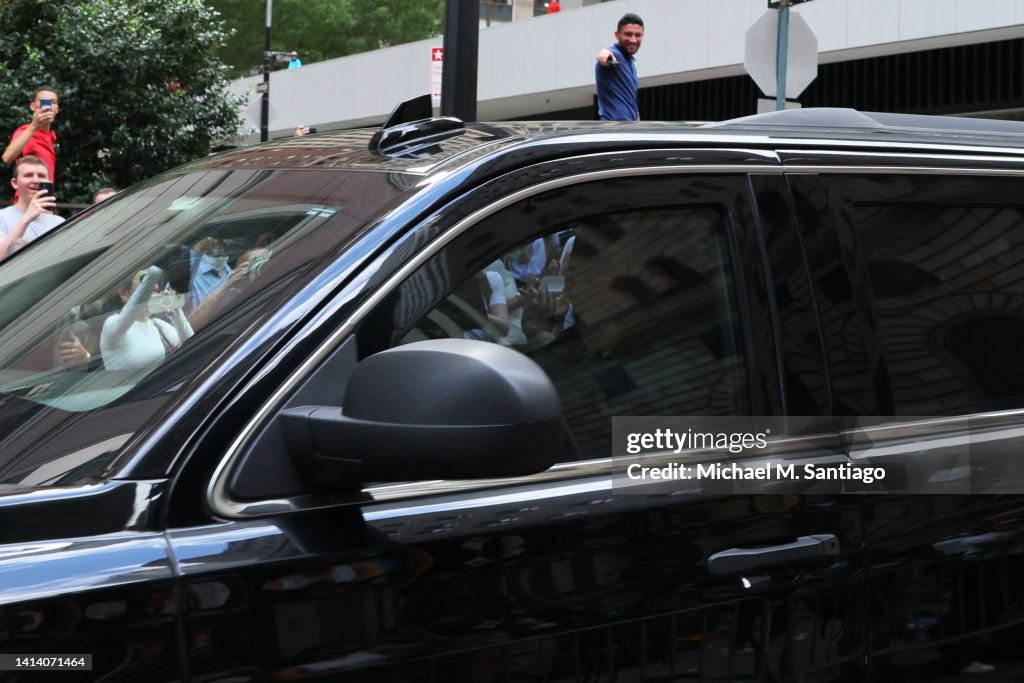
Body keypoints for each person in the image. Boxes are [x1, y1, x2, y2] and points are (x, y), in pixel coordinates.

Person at [100, 266, 193, 371]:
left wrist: (176, 313)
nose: (154, 289)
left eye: (155, 289)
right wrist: (153, 275)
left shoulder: (157, 325)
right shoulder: (112, 324)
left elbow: (191, 346)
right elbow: (129, 313)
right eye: (145, 286)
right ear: (124, 294)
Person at [0, 156, 64, 259]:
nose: (36, 180)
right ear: (15, 183)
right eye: (28, 175)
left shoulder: (59, 223)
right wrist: (26, 219)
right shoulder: (2, 217)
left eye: (41, 176)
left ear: (49, 182)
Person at [2, 87, 60, 183]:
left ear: (57, 109)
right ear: (32, 106)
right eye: (43, 101)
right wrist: (34, 126)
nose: (48, 106)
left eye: (53, 102)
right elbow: (7, 158)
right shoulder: (26, 132)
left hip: (46, 193)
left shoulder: (51, 136)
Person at [595, 14, 644, 121]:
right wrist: (604, 54)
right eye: (628, 34)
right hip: (613, 131)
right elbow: (605, 56)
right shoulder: (614, 55)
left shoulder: (631, 63)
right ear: (617, 35)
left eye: (638, 35)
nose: (633, 40)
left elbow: (632, 104)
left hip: (629, 131)